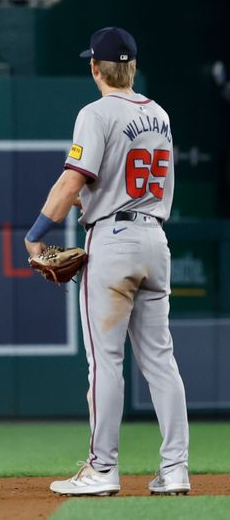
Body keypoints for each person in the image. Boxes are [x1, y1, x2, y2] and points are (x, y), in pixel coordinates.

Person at [24, 27, 190, 496]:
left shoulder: (95, 113)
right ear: (131, 67)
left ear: (95, 68)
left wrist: (36, 235)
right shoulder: (159, 114)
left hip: (114, 240)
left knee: (106, 362)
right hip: (155, 238)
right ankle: (175, 469)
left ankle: (102, 469)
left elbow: (71, 182)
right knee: (161, 361)